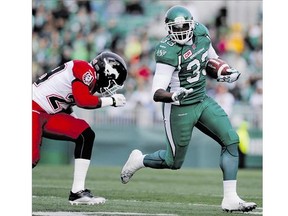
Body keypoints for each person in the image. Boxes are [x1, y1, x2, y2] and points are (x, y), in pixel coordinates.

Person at [120, 5, 257, 213]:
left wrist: (224, 71)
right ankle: (139, 160)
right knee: (173, 162)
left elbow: (212, 59)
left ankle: (230, 198)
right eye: (176, 27)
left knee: (231, 140)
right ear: (168, 29)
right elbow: (156, 92)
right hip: (179, 107)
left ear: (193, 25)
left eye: (185, 26)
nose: (182, 31)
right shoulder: (167, 50)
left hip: (201, 99)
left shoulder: (202, 33)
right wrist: (173, 94)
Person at [33, 51, 128, 205]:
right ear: (106, 73)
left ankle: (77, 192)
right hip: (33, 109)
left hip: (46, 113)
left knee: (85, 134)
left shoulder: (86, 75)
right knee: (31, 158)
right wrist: (111, 100)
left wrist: (74, 120)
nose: (111, 88)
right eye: (112, 82)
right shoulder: (84, 69)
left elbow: (64, 102)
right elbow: (83, 101)